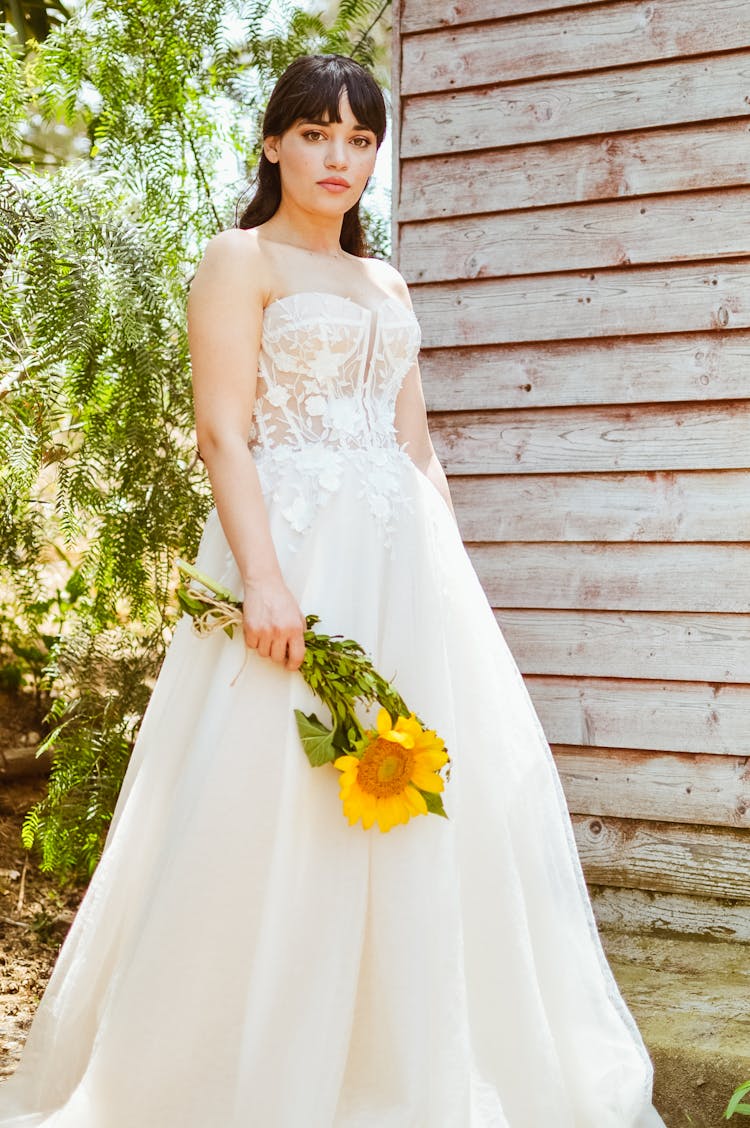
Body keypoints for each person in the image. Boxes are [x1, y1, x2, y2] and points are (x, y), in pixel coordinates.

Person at [0, 53, 667, 1128]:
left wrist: (450, 580)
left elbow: (417, 445)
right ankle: (227, 1070)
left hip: (405, 567)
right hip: (295, 557)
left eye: (362, 140)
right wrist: (265, 582)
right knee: (272, 792)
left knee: (410, 800)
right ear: (274, 143)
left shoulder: (386, 281)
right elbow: (223, 433)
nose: (340, 158)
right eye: (318, 134)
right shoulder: (239, 259)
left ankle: (396, 1061)